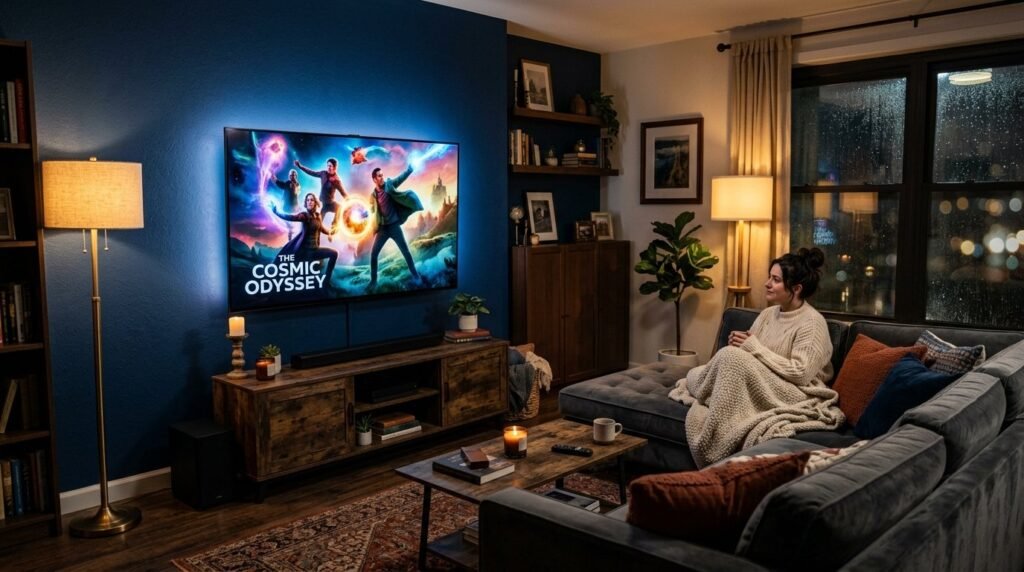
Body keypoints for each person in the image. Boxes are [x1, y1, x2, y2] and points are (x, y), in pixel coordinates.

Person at [668, 247, 844, 467]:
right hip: (764, 379)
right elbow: (751, 353)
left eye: (776, 280)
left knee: (725, 361)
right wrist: (743, 344)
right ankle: (712, 386)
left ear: (796, 288)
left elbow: (800, 373)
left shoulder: (812, 323)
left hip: (796, 392)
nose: (767, 283)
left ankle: (712, 398)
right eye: (769, 277)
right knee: (701, 369)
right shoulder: (768, 314)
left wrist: (753, 348)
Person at [366, 165, 424, 290]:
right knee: (374, 255)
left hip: (394, 226)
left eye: (382, 175)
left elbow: (400, 178)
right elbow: (371, 210)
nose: (382, 177)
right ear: (374, 179)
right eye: (379, 176)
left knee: (405, 251)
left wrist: (409, 169)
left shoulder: (389, 185)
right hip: (382, 229)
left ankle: (416, 276)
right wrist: (362, 215)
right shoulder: (373, 196)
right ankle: (373, 281)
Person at [271, 193, 338, 281]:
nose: (309, 202)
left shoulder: (318, 216)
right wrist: (277, 212)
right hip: (304, 253)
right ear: (306, 203)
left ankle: (327, 280)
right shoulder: (304, 216)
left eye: (311, 200)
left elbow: (322, 229)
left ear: (315, 202)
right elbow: (291, 217)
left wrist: (331, 232)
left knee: (334, 254)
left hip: (315, 251)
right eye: (308, 200)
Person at [294, 158, 347, 232]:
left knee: (340, 208)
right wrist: (300, 166)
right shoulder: (323, 174)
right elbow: (312, 172)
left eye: (330, 166)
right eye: (328, 165)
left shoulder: (337, 181)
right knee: (317, 224)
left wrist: (352, 202)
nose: (328, 167)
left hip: (331, 204)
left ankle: (333, 228)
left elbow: (343, 193)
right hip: (323, 205)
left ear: (335, 168)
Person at [270, 169, 301, 239]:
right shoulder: (287, 183)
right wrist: (273, 176)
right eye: (290, 175)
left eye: (293, 175)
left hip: (294, 208)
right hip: (286, 208)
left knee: (294, 225)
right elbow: (278, 183)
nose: (291, 176)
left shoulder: (297, 185)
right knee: (288, 224)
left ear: (296, 176)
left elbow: (296, 192)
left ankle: (292, 235)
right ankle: (290, 234)